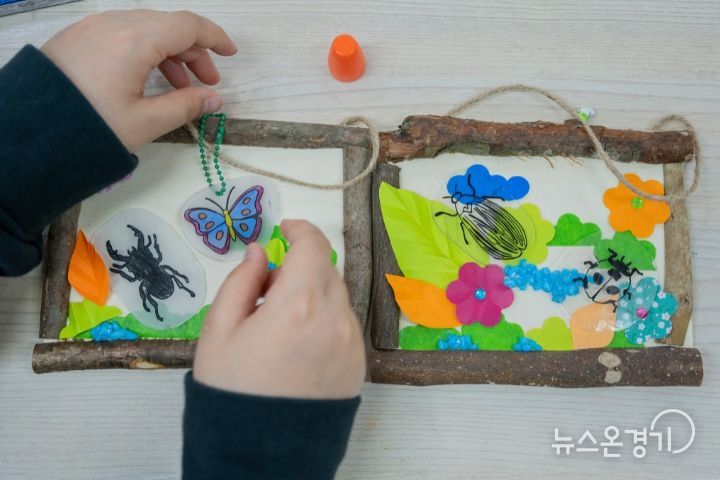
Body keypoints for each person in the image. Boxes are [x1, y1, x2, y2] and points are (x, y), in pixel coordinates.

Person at [0, 9, 366, 479]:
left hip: (162, 273)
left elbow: (138, 265)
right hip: (165, 284)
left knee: (148, 271)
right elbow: (138, 265)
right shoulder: (147, 263)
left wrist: (21, 143)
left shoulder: (145, 264)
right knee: (148, 271)